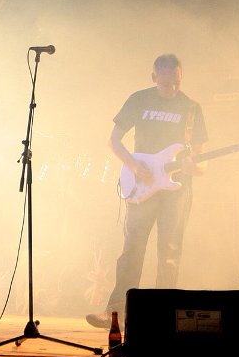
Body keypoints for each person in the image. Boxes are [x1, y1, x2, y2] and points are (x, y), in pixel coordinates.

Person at [86, 53, 207, 329]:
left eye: (176, 82)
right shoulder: (139, 99)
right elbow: (113, 140)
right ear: (154, 77)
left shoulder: (191, 108)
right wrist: (133, 165)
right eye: (165, 83)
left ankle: (162, 317)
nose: (172, 88)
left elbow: (201, 162)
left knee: (169, 253)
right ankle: (115, 312)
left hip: (176, 190)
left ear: (181, 77)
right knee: (132, 249)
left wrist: (194, 167)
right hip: (142, 185)